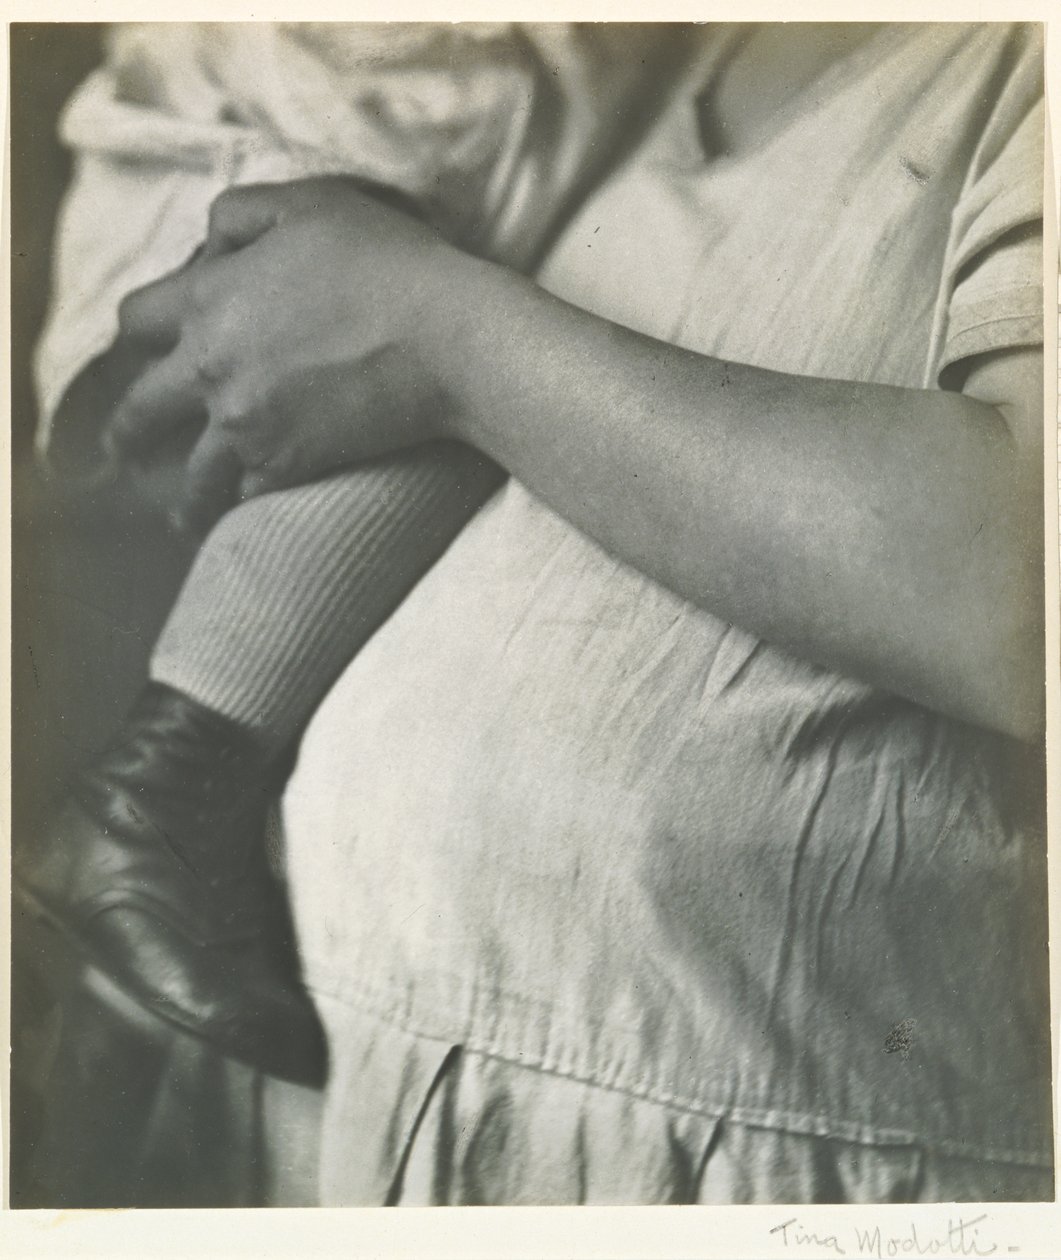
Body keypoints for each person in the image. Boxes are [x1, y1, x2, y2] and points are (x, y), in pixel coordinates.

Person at [27, 22, 1053, 1202]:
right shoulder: (611, 64)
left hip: (743, 1172)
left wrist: (439, 336)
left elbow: (1015, 598)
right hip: (344, 1117)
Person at [19, 21, 664, 1084]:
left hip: (400, 173)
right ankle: (146, 807)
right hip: (259, 167)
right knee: (472, 387)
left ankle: (164, 818)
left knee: (500, 371)